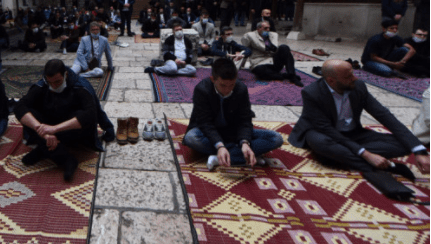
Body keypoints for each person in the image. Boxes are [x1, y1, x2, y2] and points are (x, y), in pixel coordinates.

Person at [288, 60, 429, 174]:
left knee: (405, 145)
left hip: (354, 134)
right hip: (325, 133)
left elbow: (384, 115)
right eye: (348, 76)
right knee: (320, 142)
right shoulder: (312, 93)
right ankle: (368, 163)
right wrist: (366, 154)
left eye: (353, 73)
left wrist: (418, 150)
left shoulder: (358, 86)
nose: (355, 78)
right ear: (331, 81)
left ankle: (338, 157)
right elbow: (326, 129)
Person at [183, 58, 283, 169]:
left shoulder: (241, 89)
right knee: (191, 138)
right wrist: (220, 145)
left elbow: (244, 120)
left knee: (276, 138)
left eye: (231, 85)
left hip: (232, 132)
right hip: (209, 132)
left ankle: (220, 158)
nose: (227, 90)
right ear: (213, 79)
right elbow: (205, 123)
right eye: (223, 85)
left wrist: (245, 143)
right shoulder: (202, 90)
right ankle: (243, 156)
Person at [14, 59, 103, 181]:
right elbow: (20, 106)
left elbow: (91, 114)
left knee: (82, 116)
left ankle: (43, 149)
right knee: (30, 115)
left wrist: (55, 129)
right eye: (50, 83)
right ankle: (66, 159)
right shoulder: (42, 85)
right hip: (47, 127)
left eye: (58, 81)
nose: (54, 86)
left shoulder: (80, 86)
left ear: (66, 74)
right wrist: (42, 130)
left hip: (69, 129)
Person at [241, 21, 303, 86]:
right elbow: (245, 48)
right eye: (265, 28)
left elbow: (274, 49)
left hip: (273, 61)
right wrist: (242, 65)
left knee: (284, 47)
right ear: (258, 29)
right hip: (259, 63)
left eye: (269, 28)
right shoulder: (249, 35)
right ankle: (283, 76)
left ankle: (292, 75)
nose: (268, 30)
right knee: (261, 73)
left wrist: (267, 39)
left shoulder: (273, 34)